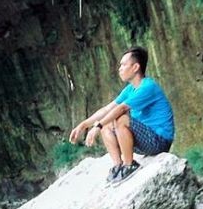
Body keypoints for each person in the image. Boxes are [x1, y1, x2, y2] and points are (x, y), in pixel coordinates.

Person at [69, 46, 175, 185]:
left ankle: (129, 164)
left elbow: (121, 108)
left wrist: (97, 126)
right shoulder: (130, 89)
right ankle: (118, 166)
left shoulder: (148, 86)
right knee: (108, 122)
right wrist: (83, 125)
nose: (120, 68)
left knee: (120, 118)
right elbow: (107, 109)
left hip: (159, 141)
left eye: (124, 64)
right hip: (144, 140)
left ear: (136, 67)